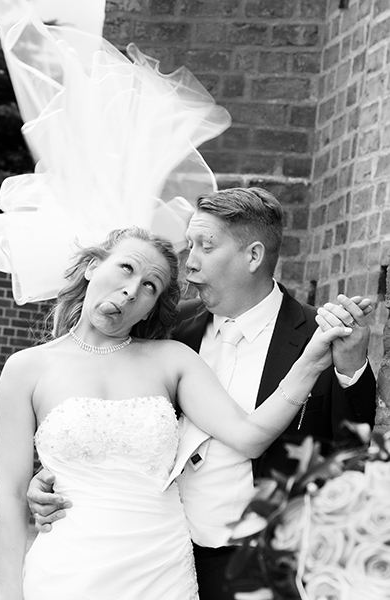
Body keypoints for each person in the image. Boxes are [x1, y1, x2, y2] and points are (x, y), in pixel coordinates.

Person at [28, 187, 376, 600]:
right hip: (166, 554)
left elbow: (352, 446)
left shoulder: (317, 335)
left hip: (271, 562)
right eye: (189, 245)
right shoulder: (168, 329)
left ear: (253, 256)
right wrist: (54, 477)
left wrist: (351, 367)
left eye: (205, 246)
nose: (189, 261)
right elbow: (100, 406)